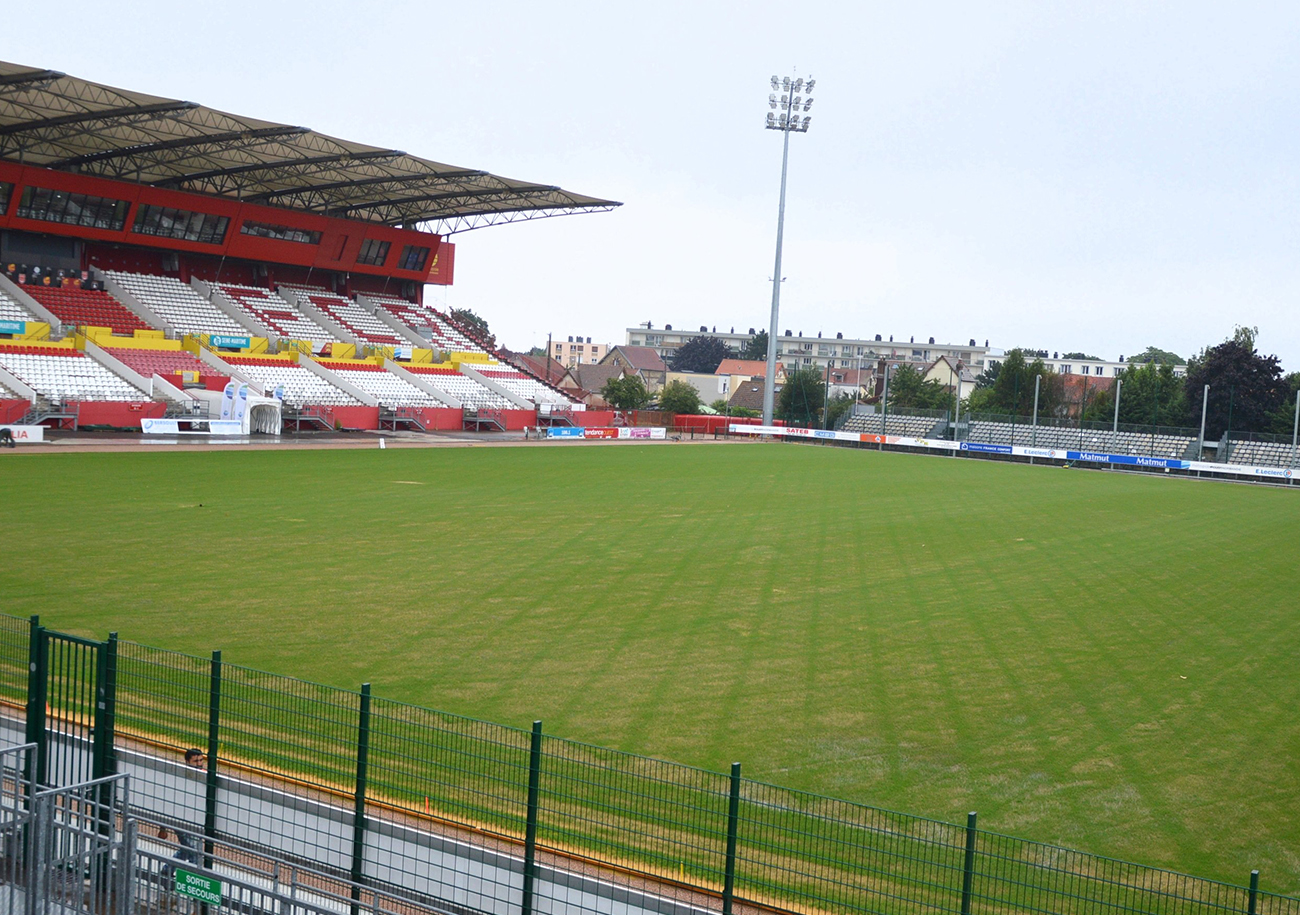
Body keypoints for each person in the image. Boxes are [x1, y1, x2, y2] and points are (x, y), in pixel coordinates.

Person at [159, 749, 206, 871]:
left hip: (197, 820)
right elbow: (169, 800)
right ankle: (192, 879)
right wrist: (162, 827)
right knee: (195, 853)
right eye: (195, 761)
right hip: (182, 820)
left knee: (187, 850)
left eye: (201, 760)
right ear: (187, 761)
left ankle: (167, 871)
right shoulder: (180, 777)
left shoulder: (204, 776)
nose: (199, 763)